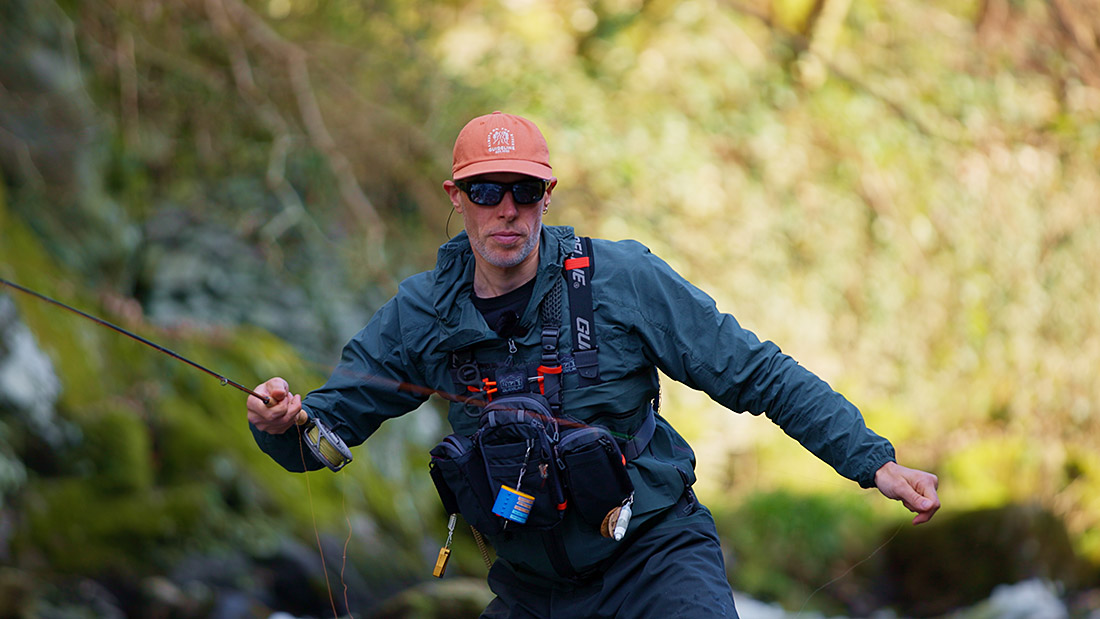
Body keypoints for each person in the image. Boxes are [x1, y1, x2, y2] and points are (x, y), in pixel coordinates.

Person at [247, 111, 940, 618]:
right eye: (487, 191)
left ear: (549, 194)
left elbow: (757, 372)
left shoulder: (621, 279)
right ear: (456, 198)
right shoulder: (421, 311)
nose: (507, 209)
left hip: (655, 558)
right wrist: (282, 422)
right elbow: (325, 433)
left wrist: (873, 462)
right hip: (528, 589)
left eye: (523, 189)